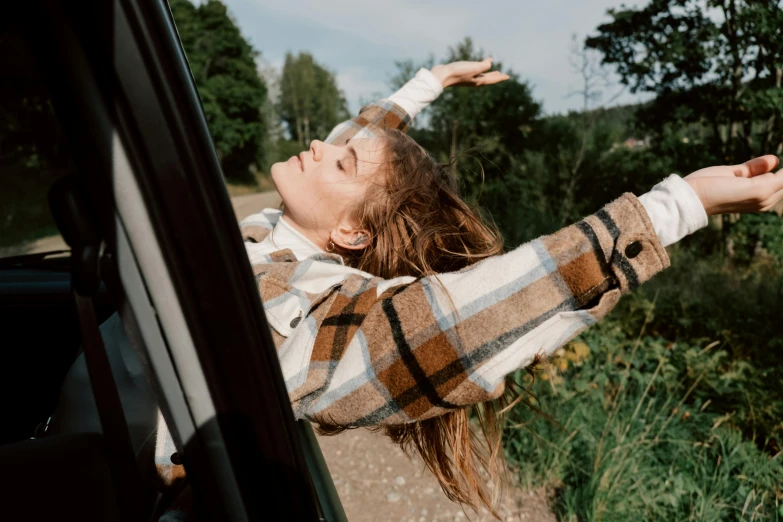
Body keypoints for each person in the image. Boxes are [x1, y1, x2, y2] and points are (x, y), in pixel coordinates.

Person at [55, 59, 783, 518]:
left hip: (98, 491)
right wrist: (430, 83)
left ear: (350, 235)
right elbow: (367, 137)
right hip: (62, 450)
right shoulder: (283, 229)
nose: (321, 145)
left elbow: (460, 319)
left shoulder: (320, 312)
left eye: (337, 163)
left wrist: (681, 204)